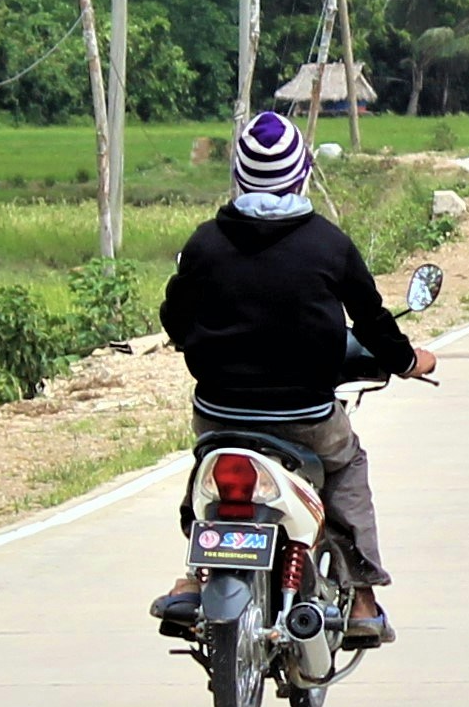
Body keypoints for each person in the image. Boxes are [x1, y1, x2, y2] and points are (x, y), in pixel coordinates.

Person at [156, 112, 431, 644]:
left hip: (221, 412)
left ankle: (194, 577)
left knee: (205, 478)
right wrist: (408, 361)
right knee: (347, 468)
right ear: (301, 174)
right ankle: (363, 600)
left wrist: (196, 338)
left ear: (239, 176)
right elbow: (373, 322)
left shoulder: (205, 244)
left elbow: (175, 318)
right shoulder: (329, 245)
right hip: (306, 416)